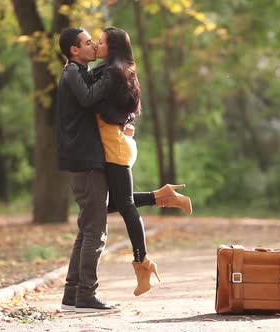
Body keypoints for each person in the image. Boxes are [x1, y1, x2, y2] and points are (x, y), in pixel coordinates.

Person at [56, 27, 191, 312]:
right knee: (96, 230)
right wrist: (113, 75)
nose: (94, 45)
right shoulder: (75, 74)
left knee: (90, 226)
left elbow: (119, 100)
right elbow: (91, 99)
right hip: (86, 159)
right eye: (89, 42)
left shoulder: (87, 72)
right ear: (74, 50)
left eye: (98, 41)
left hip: (94, 156)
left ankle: (73, 294)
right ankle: (85, 296)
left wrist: (126, 115)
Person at [91, 26, 192, 297]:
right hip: (116, 144)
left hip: (114, 147)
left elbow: (105, 108)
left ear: (111, 47)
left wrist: (110, 117)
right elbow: (127, 108)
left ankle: (142, 262)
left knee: (120, 207)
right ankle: (163, 196)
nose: (96, 45)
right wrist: (124, 121)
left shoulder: (110, 72)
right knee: (109, 205)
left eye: (100, 42)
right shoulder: (121, 70)